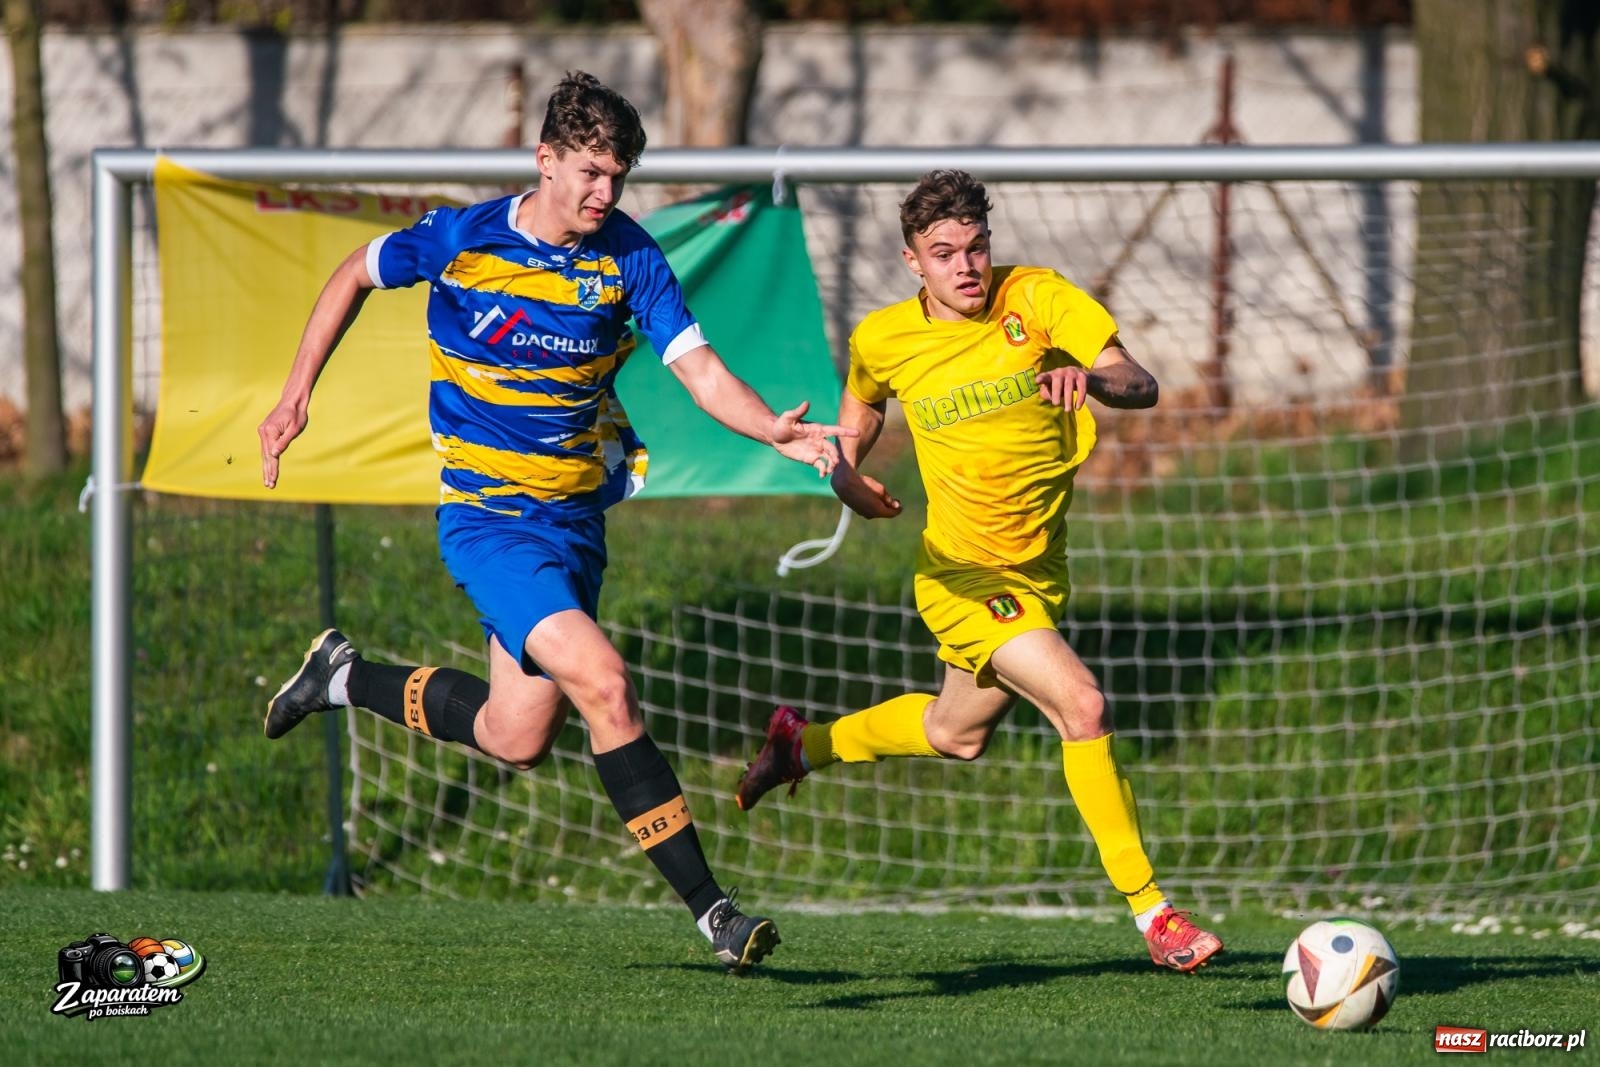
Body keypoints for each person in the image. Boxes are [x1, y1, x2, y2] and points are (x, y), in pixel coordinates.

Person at [257, 71, 851, 973]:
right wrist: (296, 391)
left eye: (618, 176)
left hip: (574, 521)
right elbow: (353, 272)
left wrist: (770, 427)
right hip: (489, 520)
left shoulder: (631, 257)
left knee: (516, 734)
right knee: (604, 684)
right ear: (545, 161)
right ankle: (715, 911)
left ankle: (342, 676)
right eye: (590, 172)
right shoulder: (464, 237)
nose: (604, 193)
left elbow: (699, 370)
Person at [734, 169, 1223, 973]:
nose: (966, 266)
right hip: (960, 574)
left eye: (976, 246)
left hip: (1039, 572)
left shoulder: (1039, 298)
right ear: (911, 261)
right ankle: (1156, 914)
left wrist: (1089, 377)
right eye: (944, 252)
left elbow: (1141, 381)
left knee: (953, 734)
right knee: (1084, 702)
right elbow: (860, 408)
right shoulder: (884, 337)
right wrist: (845, 477)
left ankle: (801, 745)